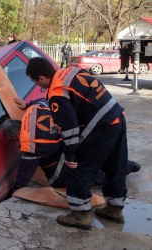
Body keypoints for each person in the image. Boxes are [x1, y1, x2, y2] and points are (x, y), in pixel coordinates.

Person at [26, 57, 129, 230]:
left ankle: (80, 215)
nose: (38, 86)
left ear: (41, 78)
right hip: (116, 118)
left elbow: (70, 127)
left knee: (78, 169)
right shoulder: (71, 71)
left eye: (35, 82)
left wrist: (71, 154)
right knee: (115, 165)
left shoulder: (56, 91)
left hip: (100, 126)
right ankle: (115, 210)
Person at [3, 98, 141, 190]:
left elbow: (24, 173)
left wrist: (17, 190)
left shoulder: (29, 145)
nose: (14, 143)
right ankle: (128, 165)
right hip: (73, 140)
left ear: (16, 134)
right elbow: (43, 101)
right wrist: (27, 104)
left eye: (12, 139)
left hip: (61, 161)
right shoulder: (34, 109)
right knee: (96, 159)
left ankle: (114, 174)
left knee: (78, 179)